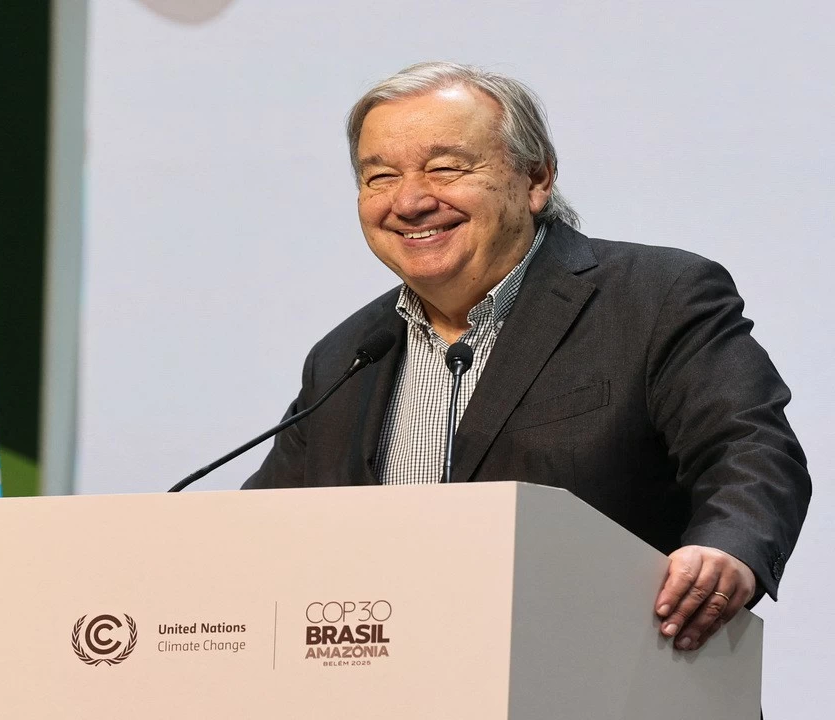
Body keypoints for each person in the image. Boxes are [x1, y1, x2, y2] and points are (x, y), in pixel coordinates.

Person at [243, 62, 810, 655]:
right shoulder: (345, 355)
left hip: (606, 671)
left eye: (445, 168)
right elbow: (259, 530)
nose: (409, 201)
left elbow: (749, 450)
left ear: (536, 179)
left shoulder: (655, 297)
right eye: (379, 177)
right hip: (387, 679)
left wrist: (728, 548)